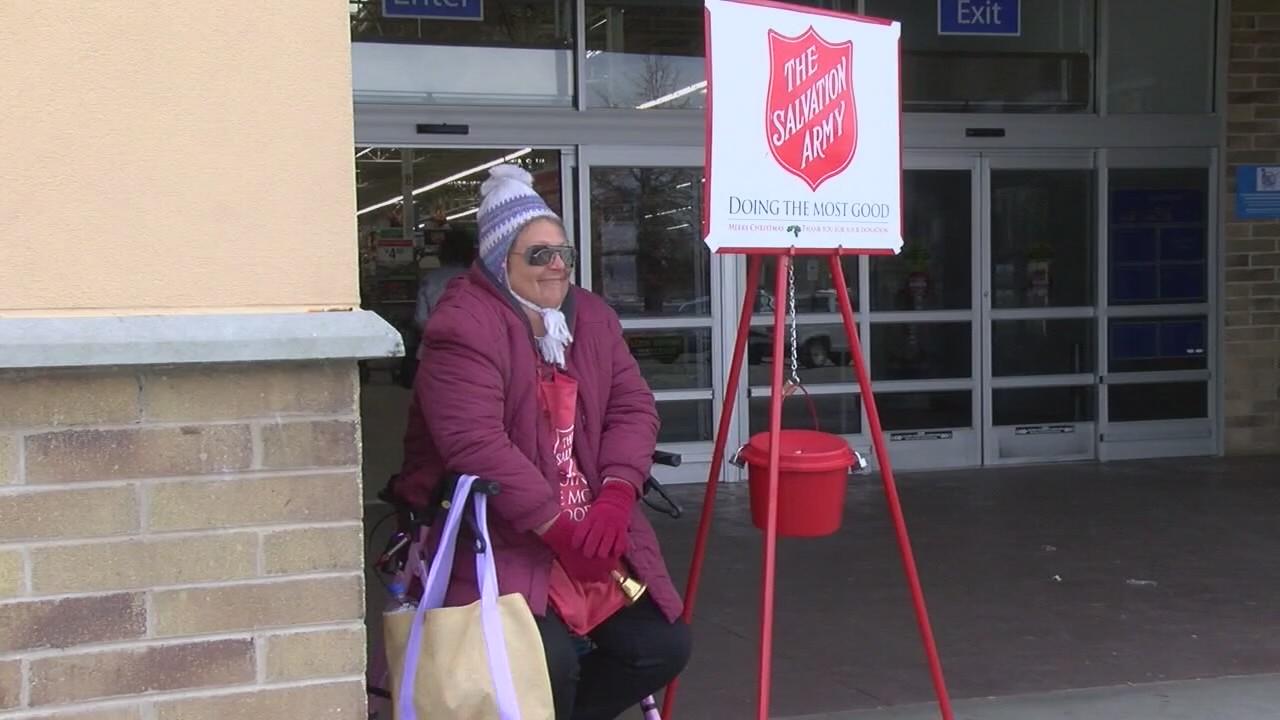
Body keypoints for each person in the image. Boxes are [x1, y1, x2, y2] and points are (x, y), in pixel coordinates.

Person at [397, 163, 691, 720]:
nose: (557, 266)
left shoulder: (592, 318)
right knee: (547, 661)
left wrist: (617, 494)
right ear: (497, 259)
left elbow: (633, 406)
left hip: (595, 534)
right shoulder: (463, 326)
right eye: (538, 254)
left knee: (662, 646)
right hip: (500, 538)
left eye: (564, 253)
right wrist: (560, 531)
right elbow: (475, 444)